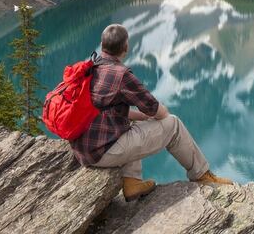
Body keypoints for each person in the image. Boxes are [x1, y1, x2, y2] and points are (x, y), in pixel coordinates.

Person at [71, 23, 233, 201]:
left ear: (102, 46)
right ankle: (201, 175)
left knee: (134, 124)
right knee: (174, 124)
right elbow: (158, 111)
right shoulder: (121, 75)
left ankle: (132, 183)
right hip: (102, 153)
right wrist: (158, 115)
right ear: (126, 47)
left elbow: (107, 112)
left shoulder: (91, 68)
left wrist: (142, 117)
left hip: (83, 149)